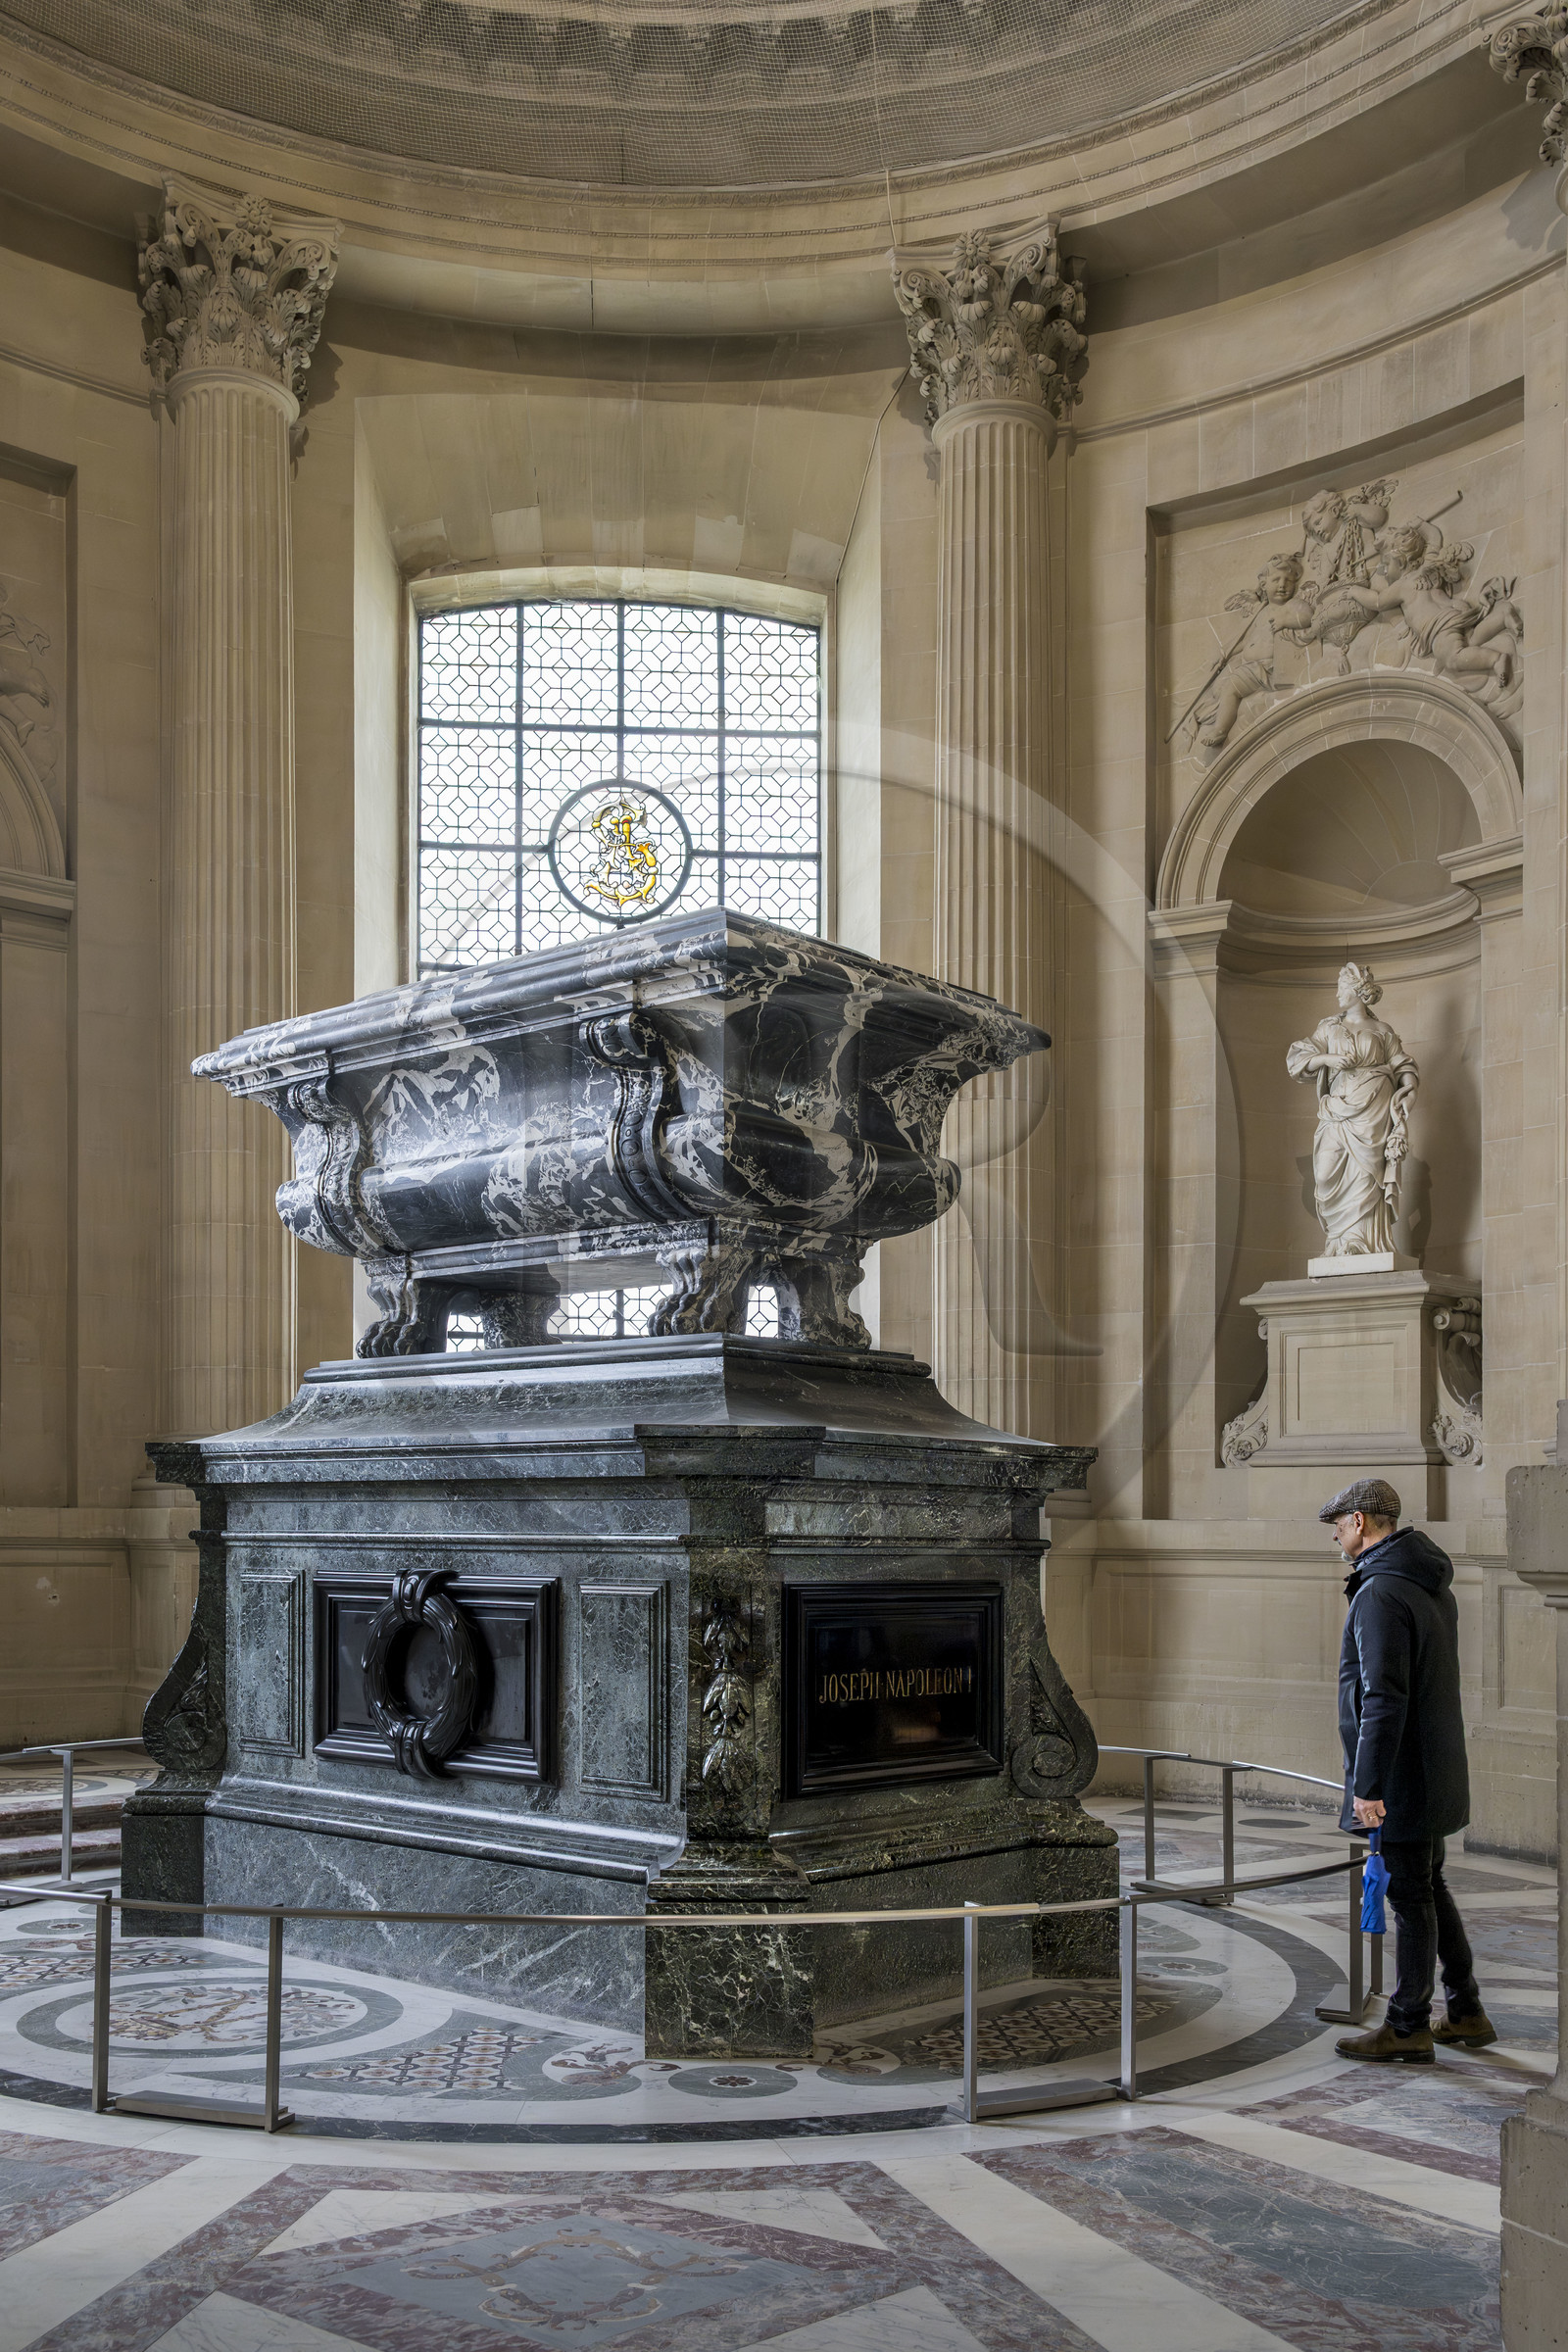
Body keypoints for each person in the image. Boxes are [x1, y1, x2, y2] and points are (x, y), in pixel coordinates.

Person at [1323, 1478, 1496, 2063]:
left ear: (1364, 1521)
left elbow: (1383, 1697)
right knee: (1430, 1885)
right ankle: (1466, 2009)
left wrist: (1367, 1788)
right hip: (1435, 1765)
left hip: (1400, 1774)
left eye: (1340, 1524)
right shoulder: (1427, 1585)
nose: (1338, 1536)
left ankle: (1407, 2023)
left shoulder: (1378, 1592)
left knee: (1410, 1895)